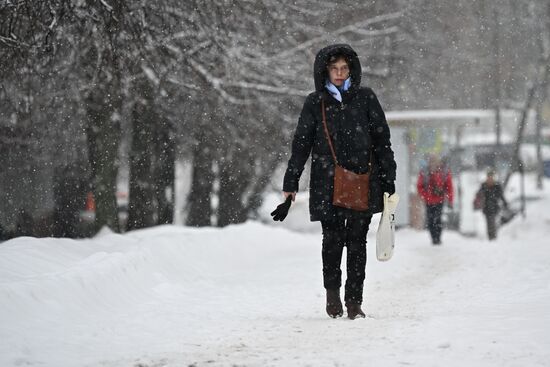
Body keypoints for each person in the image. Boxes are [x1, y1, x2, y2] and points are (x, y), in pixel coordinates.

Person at [280, 44, 396, 320]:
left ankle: (354, 301)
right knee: (332, 241)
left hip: (363, 182)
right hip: (326, 183)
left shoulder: (366, 98)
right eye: (335, 69)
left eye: (344, 68)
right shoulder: (315, 102)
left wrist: (389, 178)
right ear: (325, 70)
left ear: (352, 69)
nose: (340, 74)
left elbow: (382, 141)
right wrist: (291, 182)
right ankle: (332, 293)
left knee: (357, 243)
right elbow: (301, 144)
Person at [417, 155, 453, 245]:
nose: (434, 164)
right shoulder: (424, 173)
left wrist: (450, 200)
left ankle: (438, 238)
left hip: (439, 200)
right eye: (432, 161)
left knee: (437, 219)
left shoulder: (444, 173)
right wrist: (425, 196)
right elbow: (419, 186)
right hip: (428, 201)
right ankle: (433, 238)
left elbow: (449, 187)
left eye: (436, 162)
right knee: (430, 219)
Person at [476, 169, 508, 240]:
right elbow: (479, 194)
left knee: (492, 221)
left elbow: (501, 195)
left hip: (494, 207)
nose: (490, 178)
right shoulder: (484, 185)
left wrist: (505, 203)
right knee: (488, 222)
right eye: (489, 177)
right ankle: (490, 236)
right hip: (486, 207)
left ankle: (493, 236)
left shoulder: (497, 185)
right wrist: (478, 201)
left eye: (491, 176)